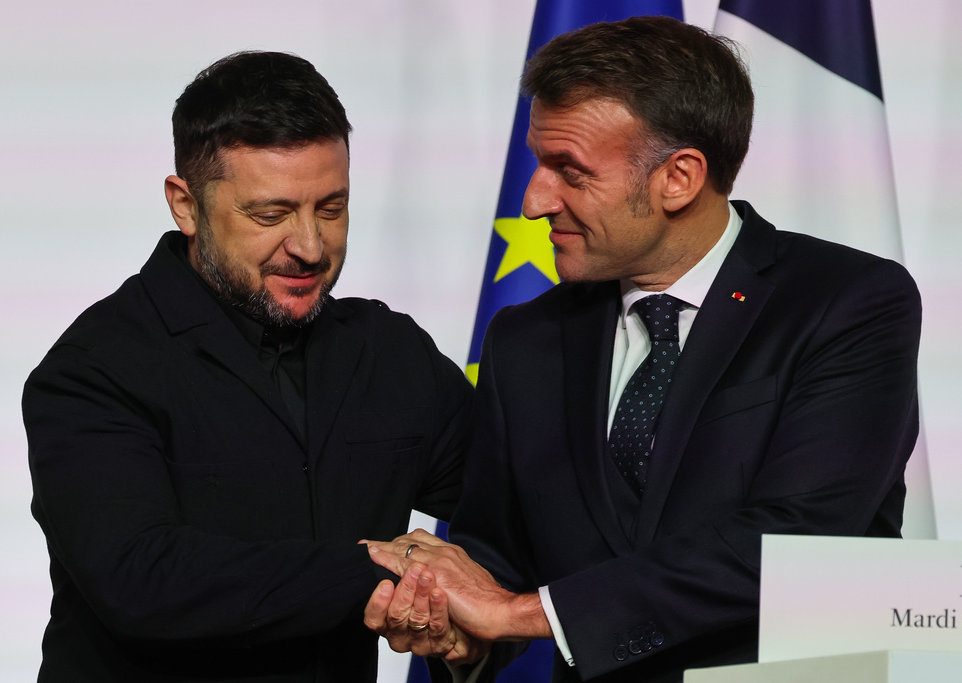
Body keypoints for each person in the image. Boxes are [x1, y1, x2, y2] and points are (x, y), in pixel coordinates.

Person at [363, 16, 920, 683]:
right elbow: (498, 559)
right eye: (540, 163)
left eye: (570, 171)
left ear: (679, 177)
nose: (535, 199)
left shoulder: (847, 302)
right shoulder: (525, 340)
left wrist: (523, 614)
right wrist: (454, 625)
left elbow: (796, 543)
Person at [23, 51, 472, 682]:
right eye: (271, 215)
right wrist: (376, 570)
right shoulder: (93, 369)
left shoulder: (388, 350)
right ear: (185, 206)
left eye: (332, 208)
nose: (310, 246)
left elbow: (513, 498)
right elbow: (141, 578)